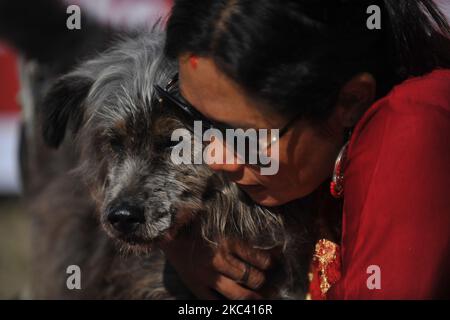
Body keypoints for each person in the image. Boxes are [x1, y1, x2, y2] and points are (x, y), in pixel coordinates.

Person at [158, 0, 450, 299]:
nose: (215, 158)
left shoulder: (413, 127)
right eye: (194, 117)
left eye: (245, 135)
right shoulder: (309, 154)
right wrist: (185, 241)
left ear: (350, 101)